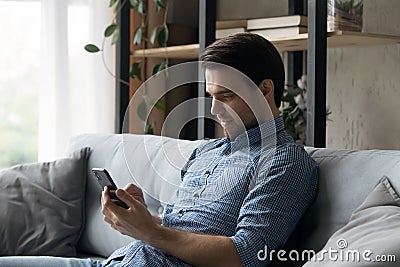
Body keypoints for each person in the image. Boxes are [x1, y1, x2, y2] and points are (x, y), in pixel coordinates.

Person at [0, 33, 318, 267]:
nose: (213, 109)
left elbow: (245, 254)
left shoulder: (284, 160)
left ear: (265, 89)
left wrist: (151, 231)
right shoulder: (205, 153)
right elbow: (181, 230)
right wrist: (143, 218)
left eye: (226, 96)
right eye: (210, 96)